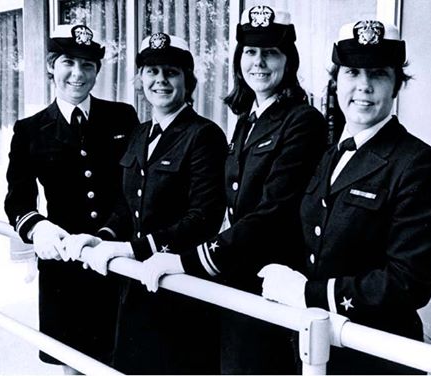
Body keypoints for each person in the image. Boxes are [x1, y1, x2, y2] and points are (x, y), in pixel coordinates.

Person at [137, 6, 327, 374]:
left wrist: (186, 260)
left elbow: (272, 213)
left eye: (271, 52)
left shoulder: (303, 121)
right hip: (240, 277)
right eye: (251, 52)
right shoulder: (247, 121)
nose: (259, 62)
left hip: (274, 281)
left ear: (289, 60)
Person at [258, 20, 431, 374]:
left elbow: (408, 283)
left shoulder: (419, 164)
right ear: (336, 81)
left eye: (378, 73)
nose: (363, 86)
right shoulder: (331, 155)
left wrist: (308, 294)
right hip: (317, 349)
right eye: (352, 72)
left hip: (376, 356)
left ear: (397, 85)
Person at [63, 32, 227, 374]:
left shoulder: (204, 135)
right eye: (152, 72)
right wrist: (104, 237)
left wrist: (133, 248)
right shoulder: (140, 133)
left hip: (181, 289)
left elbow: (205, 217)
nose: (160, 81)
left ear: (188, 80)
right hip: (136, 287)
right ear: (140, 80)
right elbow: (128, 203)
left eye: (171, 72)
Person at [4, 24, 140, 373]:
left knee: (123, 359)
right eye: (68, 62)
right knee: (71, 362)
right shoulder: (30, 129)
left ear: (97, 69)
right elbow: (18, 198)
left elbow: (135, 187)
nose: (77, 74)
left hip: (116, 259)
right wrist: (38, 229)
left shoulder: (122, 116)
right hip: (63, 265)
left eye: (88, 65)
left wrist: (109, 235)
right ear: (52, 64)